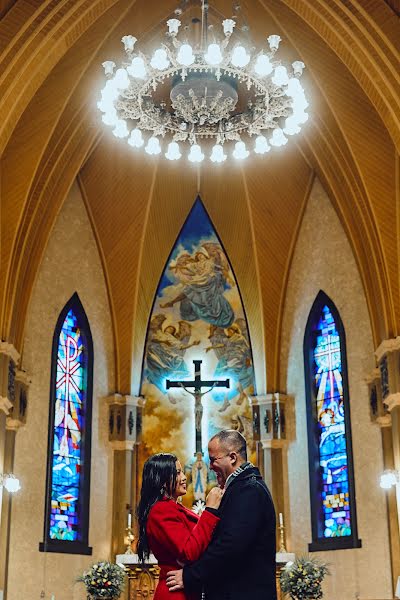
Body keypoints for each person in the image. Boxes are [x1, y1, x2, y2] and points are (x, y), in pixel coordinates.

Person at [166, 430, 277, 600]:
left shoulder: (249, 490)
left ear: (232, 457)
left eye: (213, 460)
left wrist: (190, 575)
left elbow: (230, 546)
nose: (209, 467)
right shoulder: (241, 488)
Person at [137, 453, 224, 600]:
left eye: (182, 471)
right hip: (175, 592)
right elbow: (189, 551)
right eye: (177, 473)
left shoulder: (174, 508)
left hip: (187, 589)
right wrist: (209, 511)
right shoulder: (161, 510)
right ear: (163, 481)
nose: (184, 477)